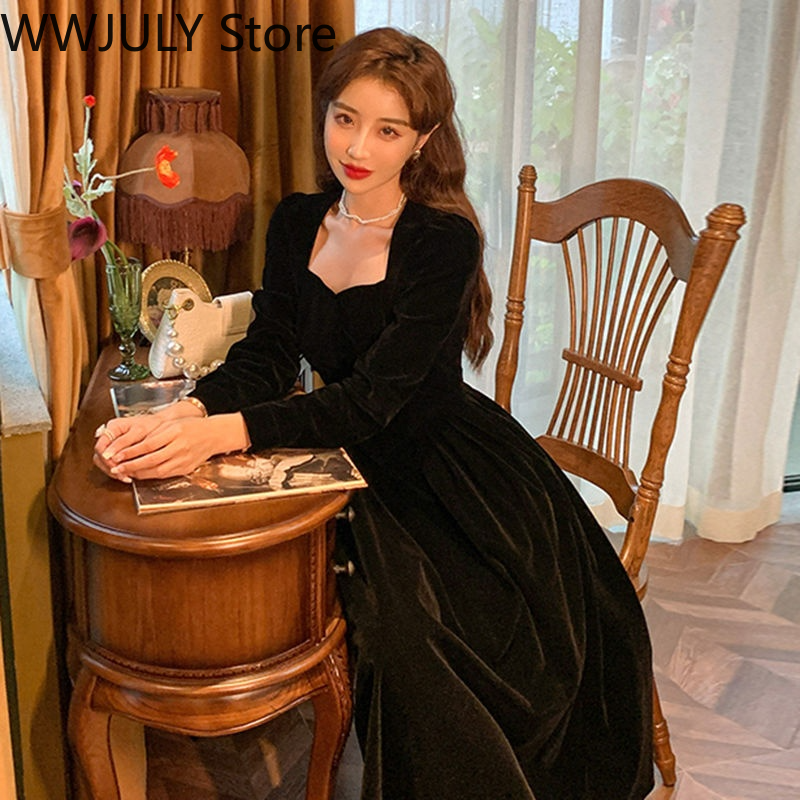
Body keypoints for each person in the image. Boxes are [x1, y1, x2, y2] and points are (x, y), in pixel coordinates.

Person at [94, 27, 654, 800]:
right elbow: (269, 354)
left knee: (411, 634)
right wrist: (185, 413)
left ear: (423, 139)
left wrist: (221, 434)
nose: (357, 147)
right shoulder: (297, 220)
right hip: (341, 444)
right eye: (345, 119)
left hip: (440, 466)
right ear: (324, 113)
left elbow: (378, 400)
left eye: (388, 130)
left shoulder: (442, 241)